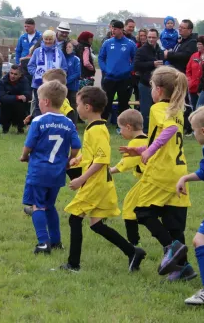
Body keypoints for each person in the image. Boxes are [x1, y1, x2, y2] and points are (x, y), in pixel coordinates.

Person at [119, 66, 195, 281]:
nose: (151, 90)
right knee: (173, 222)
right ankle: (184, 269)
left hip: (161, 172)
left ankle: (171, 249)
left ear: (159, 90)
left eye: (151, 86)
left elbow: (169, 131)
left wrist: (150, 150)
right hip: (178, 172)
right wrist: (141, 149)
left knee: (142, 211)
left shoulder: (159, 108)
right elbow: (167, 140)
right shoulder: (177, 109)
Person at [61, 86, 146, 272]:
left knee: (75, 219)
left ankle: (73, 265)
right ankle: (133, 252)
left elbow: (102, 160)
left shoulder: (97, 130)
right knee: (96, 224)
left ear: (88, 107)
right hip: (100, 182)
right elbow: (94, 154)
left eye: (78, 104)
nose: (77, 108)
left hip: (95, 183)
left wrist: (81, 179)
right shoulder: (95, 127)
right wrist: (78, 158)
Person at [20, 80, 81, 254]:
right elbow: (76, 147)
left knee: (37, 205)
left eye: (39, 99)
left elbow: (29, 145)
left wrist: (24, 156)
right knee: (50, 205)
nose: (38, 103)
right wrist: (69, 160)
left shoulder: (38, 121)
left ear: (45, 101)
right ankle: (56, 241)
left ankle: (43, 243)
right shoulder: (69, 123)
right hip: (57, 172)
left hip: (39, 170)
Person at [176, 105, 204, 305]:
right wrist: (184, 178)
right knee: (200, 240)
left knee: (199, 240)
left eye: (192, 130)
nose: (192, 133)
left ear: (203, 131)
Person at [109, 109, 148, 246]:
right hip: (152, 179)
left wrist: (108, 171)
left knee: (128, 208)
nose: (120, 132)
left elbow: (125, 164)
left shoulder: (135, 144)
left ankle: (133, 244)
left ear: (128, 127)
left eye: (120, 129)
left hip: (147, 181)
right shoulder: (148, 139)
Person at [98, 20, 137, 121]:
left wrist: (128, 70)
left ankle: (122, 125)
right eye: (111, 28)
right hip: (109, 78)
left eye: (115, 29)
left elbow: (135, 59)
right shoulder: (107, 43)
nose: (112, 30)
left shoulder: (130, 44)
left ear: (121, 29)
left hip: (124, 79)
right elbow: (101, 58)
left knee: (123, 103)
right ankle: (103, 122)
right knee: (106, 102)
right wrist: (105, 69)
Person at [27, 30, 68, 118]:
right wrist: (37, 75)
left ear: (54, 40)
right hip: (39, 84)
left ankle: (52, 124)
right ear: (43, 39)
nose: (48, 41)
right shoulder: (37, 51)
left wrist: (58, 78)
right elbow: (30, 66)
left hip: (55, 85)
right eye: (46, 39)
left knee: (53, 105)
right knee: (39, 106)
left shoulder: (59, 52)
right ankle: (38, 125)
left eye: (50, 39)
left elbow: (64, 67)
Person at [134, 28, 164, 132]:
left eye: (153, 37)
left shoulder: (160, 51)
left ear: (157, 38)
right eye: (149, 37)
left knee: (158, 108)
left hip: (158, 84)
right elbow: (136, 65)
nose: (151, 39)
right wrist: (152, 64)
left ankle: (157, 129)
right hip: (145, 84)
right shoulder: (141, 50)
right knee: (146, 109)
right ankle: (145, 130)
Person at [0, 65, 31, 134]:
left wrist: (17, 98)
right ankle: (5, 128)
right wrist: (17, 97)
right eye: (11, 73)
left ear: (20, 75)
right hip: (6, 106)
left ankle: (20, 128)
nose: (12, 76)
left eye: (15, 74)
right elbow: (2, 97)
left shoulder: (25, 80)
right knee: (5, 105)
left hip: (20, 106)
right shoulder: (2, 81)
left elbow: (28, 95)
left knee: (22, 105)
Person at [186, 35, 204, 112]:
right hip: (193, 87)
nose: (198, 46)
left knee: (203, 110)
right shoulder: (194, 56)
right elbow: (188, 70)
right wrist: (189, 80)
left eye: (200, 44)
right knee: (194, 109)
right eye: (197, 44)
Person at [64, 41, 81, 122]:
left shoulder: (76, 59)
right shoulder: (64, 58)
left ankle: (73, 123)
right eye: (67, 47)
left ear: (73, 48)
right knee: (65, 105)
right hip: (65, 86)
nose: (68, 48)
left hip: (73, 86)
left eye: (70, 47)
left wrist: (67, 80)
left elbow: (78, 73)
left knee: (73, 105)